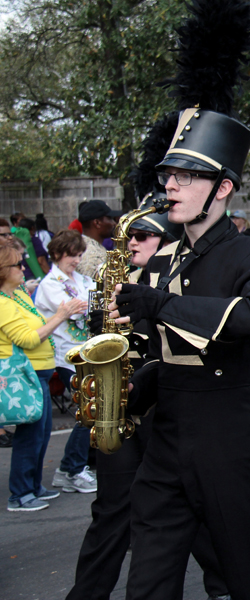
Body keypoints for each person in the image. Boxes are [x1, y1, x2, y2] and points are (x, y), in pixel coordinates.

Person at [107, 3, 250, 598]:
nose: (171, 186)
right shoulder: (165, 254)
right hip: (167, 432)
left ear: (224, 188)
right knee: (149, 580)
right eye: (169, 175)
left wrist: (157, 306)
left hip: (228, 433)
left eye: (187, 176)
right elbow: (155, 337)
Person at [66, 174, 229, 599]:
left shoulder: (182, 283)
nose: (134, 243)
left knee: (190, 510)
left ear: (167, 243)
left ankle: (225, 584)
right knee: (111, 514)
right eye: (130, 236)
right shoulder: (111, 282)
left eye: (143, 235)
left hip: (165, 413)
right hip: (120, 414)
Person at [2, 239, 87, 511]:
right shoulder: (4, 302)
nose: (23, 268)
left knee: (40, 436)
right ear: (3, 270)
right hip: (27, 372)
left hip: (40, 371)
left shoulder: (18, 295)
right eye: (17, 264)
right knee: (29, 437)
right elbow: (27, 338)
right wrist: (61, 315)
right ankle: (21, 494)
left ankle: (34, 486)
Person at [33, 230, 97, 494]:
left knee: (93, 410)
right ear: (57, 254)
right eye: (72, 254)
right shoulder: (50, 284)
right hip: (66, 357)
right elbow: (77, 308)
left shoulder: (81, 278)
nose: (77, 259)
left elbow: (95, 302)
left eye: (80, 254)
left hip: (88, 351)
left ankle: (78, 466)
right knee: (87, 411)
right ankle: (70, 469)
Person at [76, 200, 120, 279]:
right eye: (110, 219)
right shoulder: (93, 255)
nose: (114, 223)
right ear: (97, 223)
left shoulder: (79, 245)